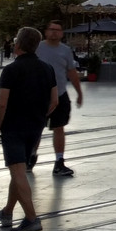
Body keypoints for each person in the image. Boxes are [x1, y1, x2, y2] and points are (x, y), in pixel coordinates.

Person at [0, 27, 57, 231]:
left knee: (18, 171)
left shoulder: (11, 70)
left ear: (17, 44)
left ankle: (31, 218)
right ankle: (8, 211)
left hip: (13, 127)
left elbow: (1, 104)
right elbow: (54, 101)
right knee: (17, 171)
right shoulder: (47, 68)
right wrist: (39, 117)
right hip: (35, 127)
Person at [31, 20, 82, 177]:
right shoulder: (36, 48)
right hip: (38, 95)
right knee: (36, 128)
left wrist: (79, 92)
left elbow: (71, 72)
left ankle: (59, 162)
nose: (54, 32)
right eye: (51, 29)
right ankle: (31, 156)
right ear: (46, 32)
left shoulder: (65, 50)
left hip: (59, 95)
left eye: (57, 30)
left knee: (59, 128)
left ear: (61, 34)